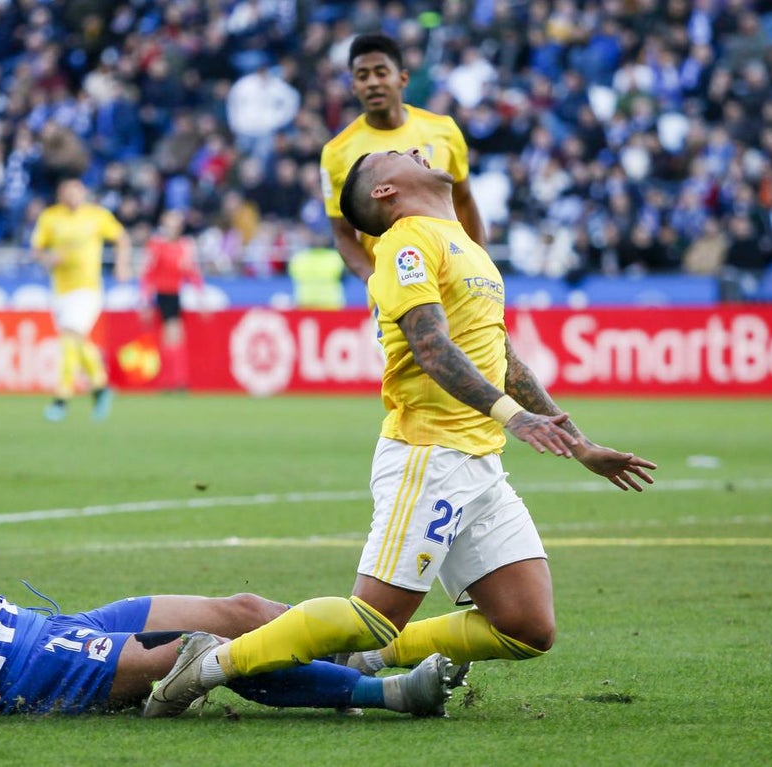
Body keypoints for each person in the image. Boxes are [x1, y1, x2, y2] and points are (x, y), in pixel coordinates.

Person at [143, 148, 657, 717]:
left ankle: (375, 655)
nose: (413, 148)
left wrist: (579, 443)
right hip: (430, 452)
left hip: (481, 462)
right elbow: (431, 347)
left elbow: (505, 360)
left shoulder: (464, 245)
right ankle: (208, 664)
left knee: (526, 626)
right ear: (385, 190)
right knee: (372, 614)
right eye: (396, 154)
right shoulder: (408, 244)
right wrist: (514, 417)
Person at [0, 442, 463, 721]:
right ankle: (388, 690)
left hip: (52, 628)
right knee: (200, 653)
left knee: (243, 608)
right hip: (33, 673)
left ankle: (360, 652)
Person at [319, 33, 486, 283]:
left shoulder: (444, 130)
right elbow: (343, 235)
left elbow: (463, 200)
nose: (373, 82)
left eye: (381, 72)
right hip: (394, 290)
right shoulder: (336, 151)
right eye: (363, 76)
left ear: (403, 78)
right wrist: (376, 282)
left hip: (452, 280)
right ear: (353, 86)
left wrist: (480, 267)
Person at [31, 178, 132, 422]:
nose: (74, 197)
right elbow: (37, 250)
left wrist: (121, 265)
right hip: (61, 289)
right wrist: (48, 259)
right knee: (75, 340)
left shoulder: (97, 216)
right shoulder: (50, 217)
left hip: (87, 289)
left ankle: (61, 399)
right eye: (68, 192)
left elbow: (122, 238)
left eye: (77, 192)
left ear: (84, 193)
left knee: (69, 337)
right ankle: (100, 386)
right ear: (60, 195)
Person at [138, 209, 203, 391]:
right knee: (171, 337)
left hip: (175, 294)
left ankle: (175, 380)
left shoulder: (184, 246)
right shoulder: (156, 245)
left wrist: (201, 293)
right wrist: (145, 300)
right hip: (163, 294)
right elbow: (148, 274)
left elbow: (190, 271)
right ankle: (171, 380)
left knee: (175, 338)